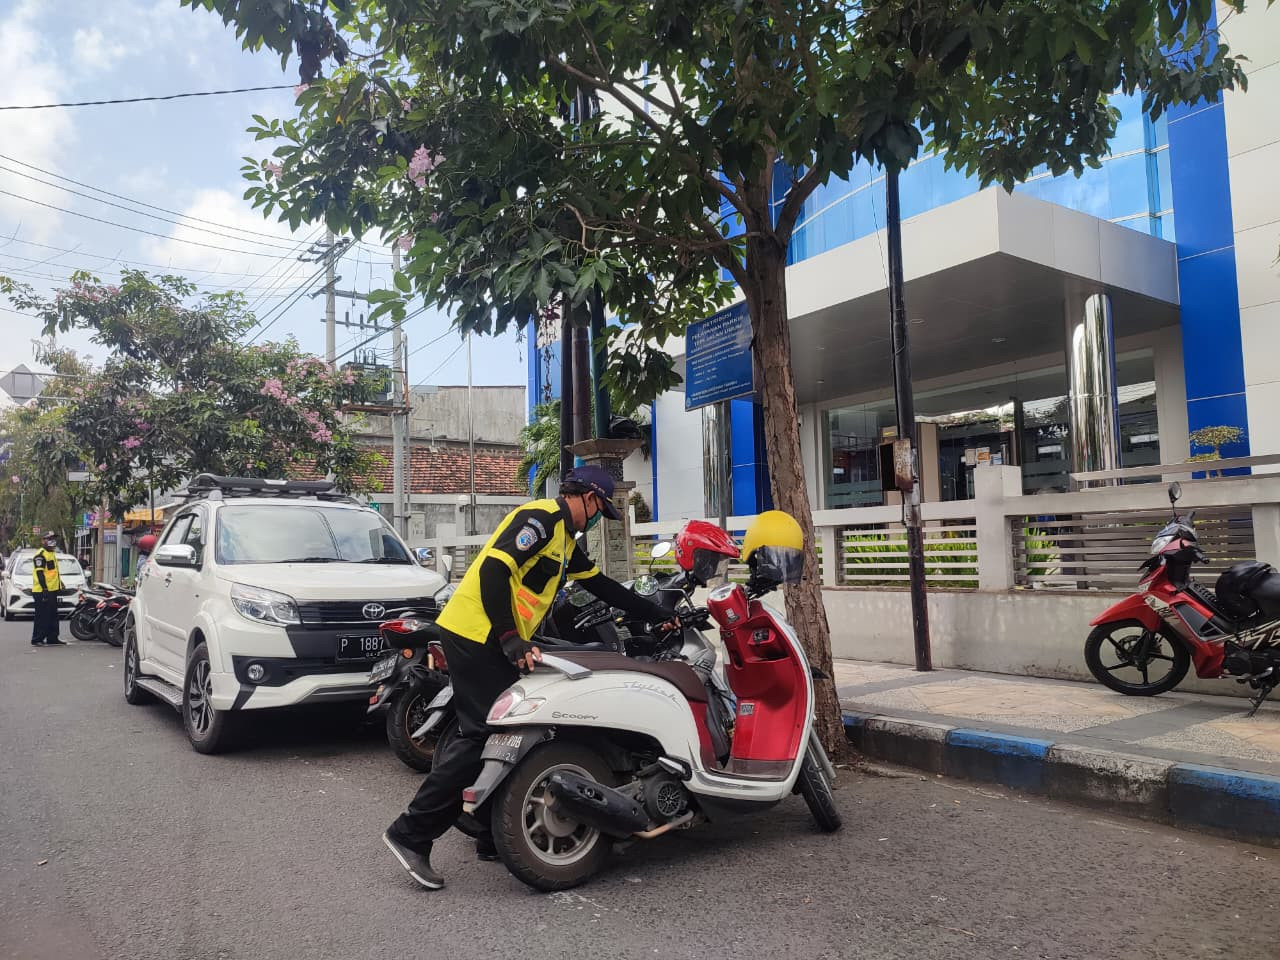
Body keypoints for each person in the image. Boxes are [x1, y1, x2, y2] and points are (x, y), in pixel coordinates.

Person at [382, 465, 679, 890]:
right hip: (475, 632)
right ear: (589, 498)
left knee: (517, 730)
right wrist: (509, 638)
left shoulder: (564, 539)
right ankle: (410, 834)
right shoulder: (540, 519)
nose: (597, 521)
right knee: (484, 732)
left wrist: (657, 614)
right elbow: (493, 572)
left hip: (493, 637)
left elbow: (602, 586)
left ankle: (491, 833)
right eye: (599, 511)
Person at [31, 532, 67, 646]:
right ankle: (37, 639)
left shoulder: (51, 553)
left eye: (53, 539)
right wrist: (45, 589)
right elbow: (40, 573)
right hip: (42, 591)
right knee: (42, 616)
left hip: (52, 590)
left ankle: (52, 637)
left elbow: (52, 572)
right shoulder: (40, 555)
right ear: (43, 541)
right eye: (49, 539)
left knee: (53, 615)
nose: (52, 541)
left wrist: (60, 583)